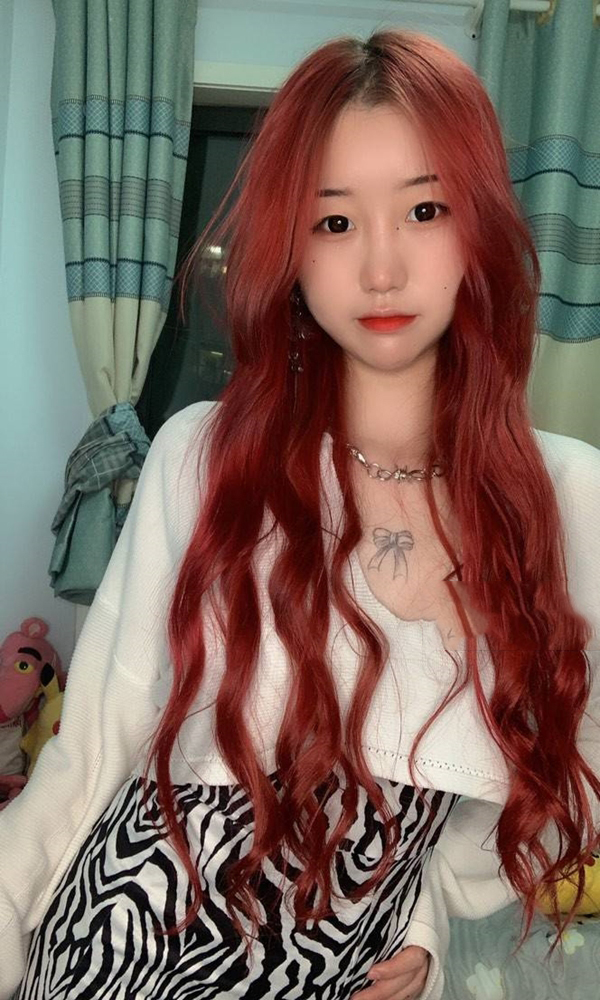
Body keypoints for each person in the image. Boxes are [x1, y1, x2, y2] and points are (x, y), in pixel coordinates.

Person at [1, 26, 600, 1000]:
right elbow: (96, 745)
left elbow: (575, 763)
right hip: (116, 943)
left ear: (478, 226)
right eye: (334, 221)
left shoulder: (568, 496)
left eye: (424, 209)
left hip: (331, 971)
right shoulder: (205, 454)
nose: (380, 267)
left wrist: (427, 915)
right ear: (291, 249)